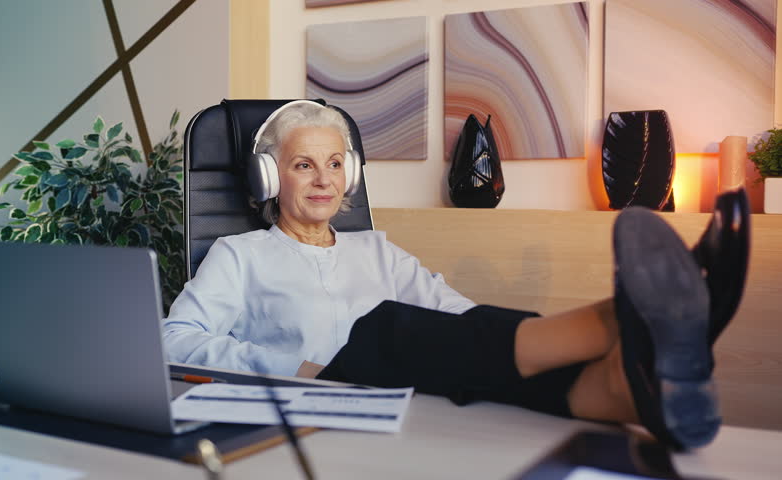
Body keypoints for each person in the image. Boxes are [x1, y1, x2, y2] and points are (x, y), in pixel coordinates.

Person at [162, 101, 750, 450]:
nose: (323, 178)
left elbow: (459, 315)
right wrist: (295, 369)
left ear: (352, 173)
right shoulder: (240, 255)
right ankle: (618, 319)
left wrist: (487, 344)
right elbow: (174, 341)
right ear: (270, 179)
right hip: (312, 404)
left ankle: (618, 388)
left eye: (336, 163)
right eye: (303, 165)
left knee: (460, 345)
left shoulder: (377, 251)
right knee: (387, 327)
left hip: (391, 403)